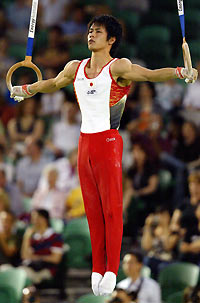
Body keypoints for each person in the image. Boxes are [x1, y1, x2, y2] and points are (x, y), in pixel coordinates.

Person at [10, 14, 198, 296]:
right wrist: (26, 89)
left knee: (112, 208)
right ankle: (97, 268)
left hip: (108, 141)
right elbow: (52, 83)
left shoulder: (118, 66)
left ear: (111, 39)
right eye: (89, 30)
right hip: (84, 143)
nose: (91, 34)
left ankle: (111, 268)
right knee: (93, 211)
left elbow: (148, 74)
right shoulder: (76, 67)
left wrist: (180, 72)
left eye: (97, 31)